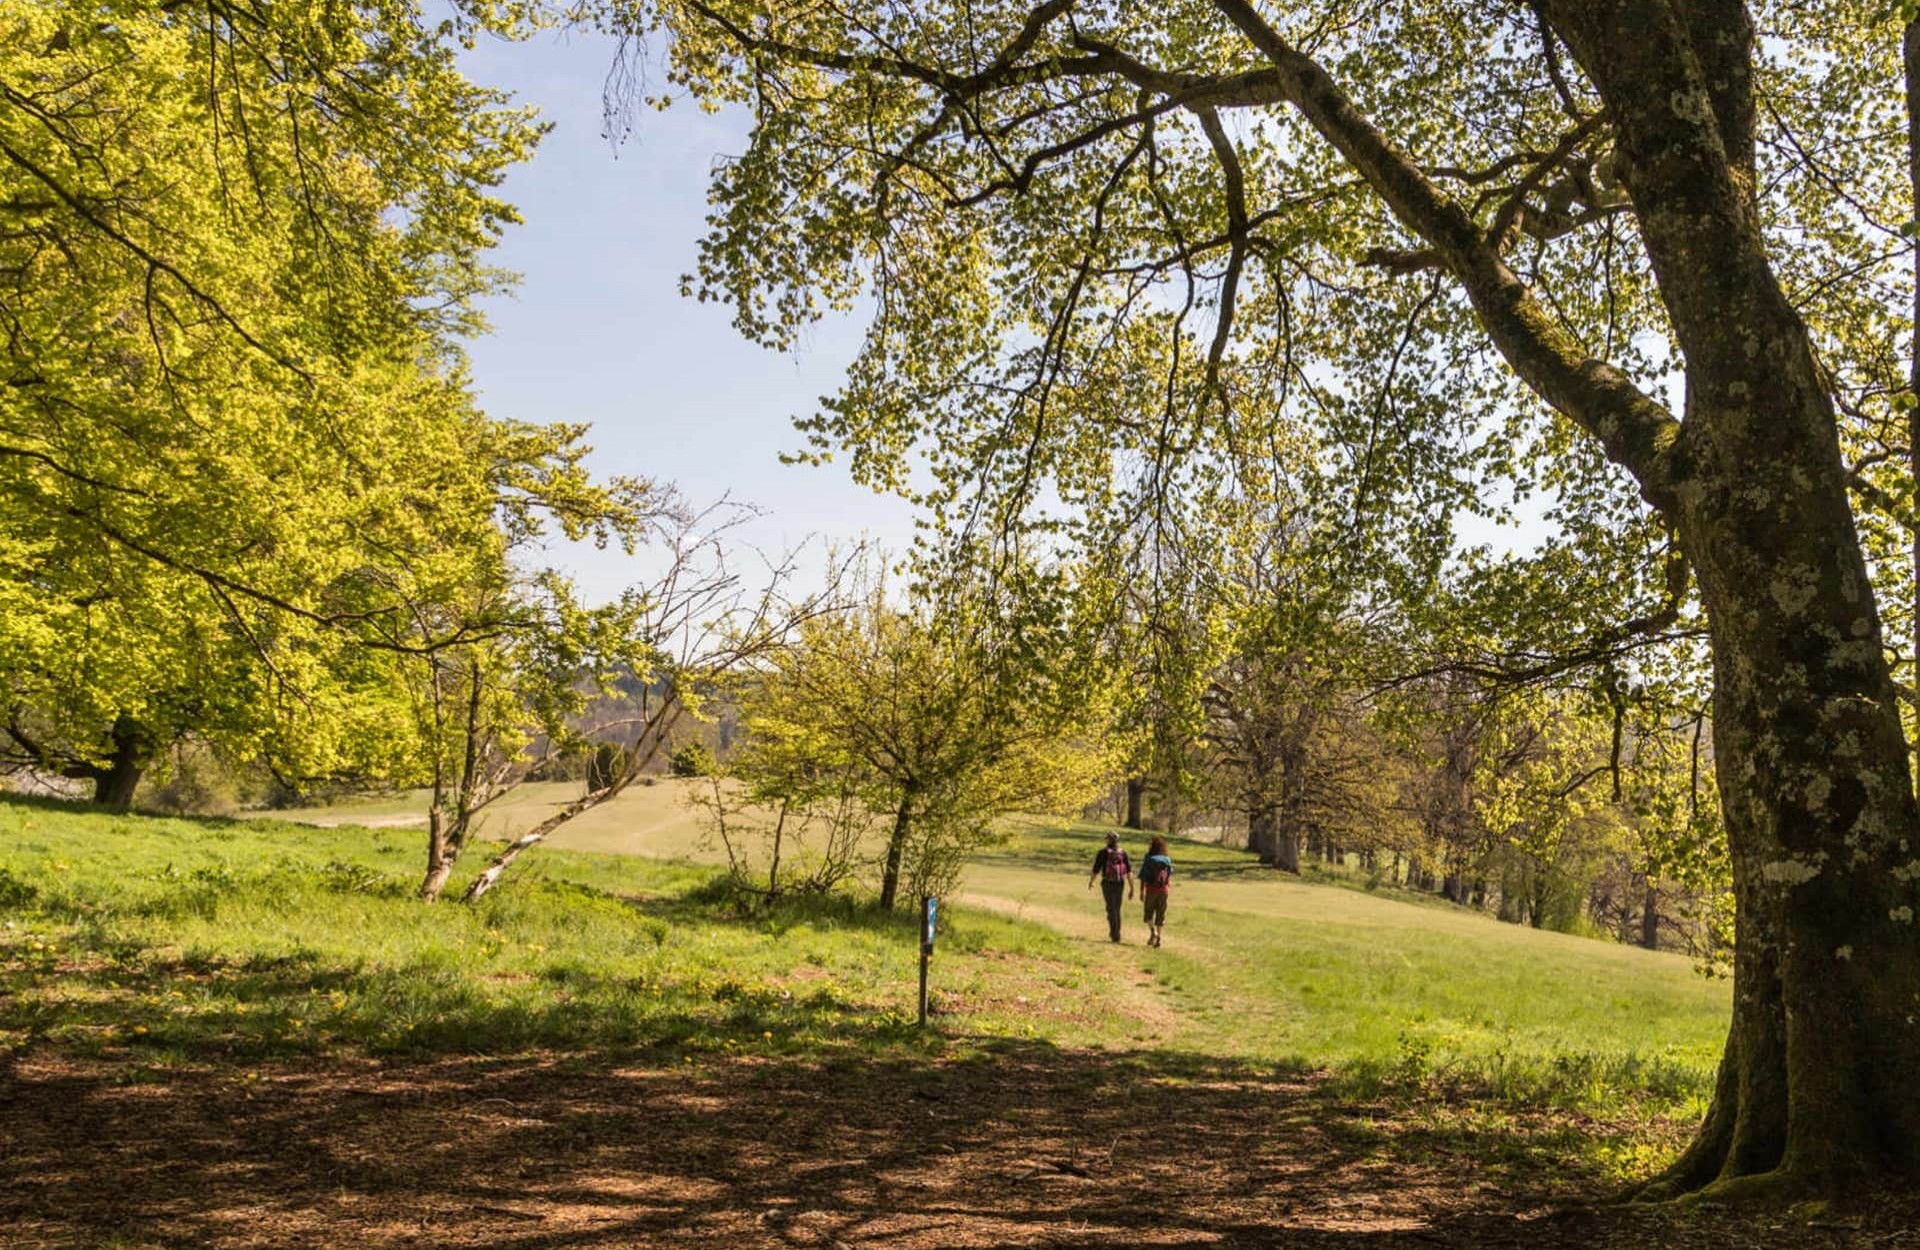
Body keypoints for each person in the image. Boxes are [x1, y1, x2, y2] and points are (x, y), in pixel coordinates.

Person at [1087, 831, 1133, 942]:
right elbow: (1129, 871)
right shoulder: (1123, 853)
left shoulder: (1103, 853)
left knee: (1110, 908)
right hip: (1120, 883)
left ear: (1108, 840)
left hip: (1107, 883)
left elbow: (1096, 869)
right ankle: (1116, 932)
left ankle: (1115, 934)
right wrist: (1132, 887)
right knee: (1117, 908)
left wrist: (1091, 881)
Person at [1139, 834, 1174, 947]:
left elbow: (1144, 876)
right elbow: (1169, 876)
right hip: (1164, 890)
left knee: (1148, 912)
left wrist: (1141, 891)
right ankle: (1159, 937)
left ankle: (1152, 932)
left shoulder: (1149, 858)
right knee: (1161, 914)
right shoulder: (1167, 859)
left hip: (1151, 889)